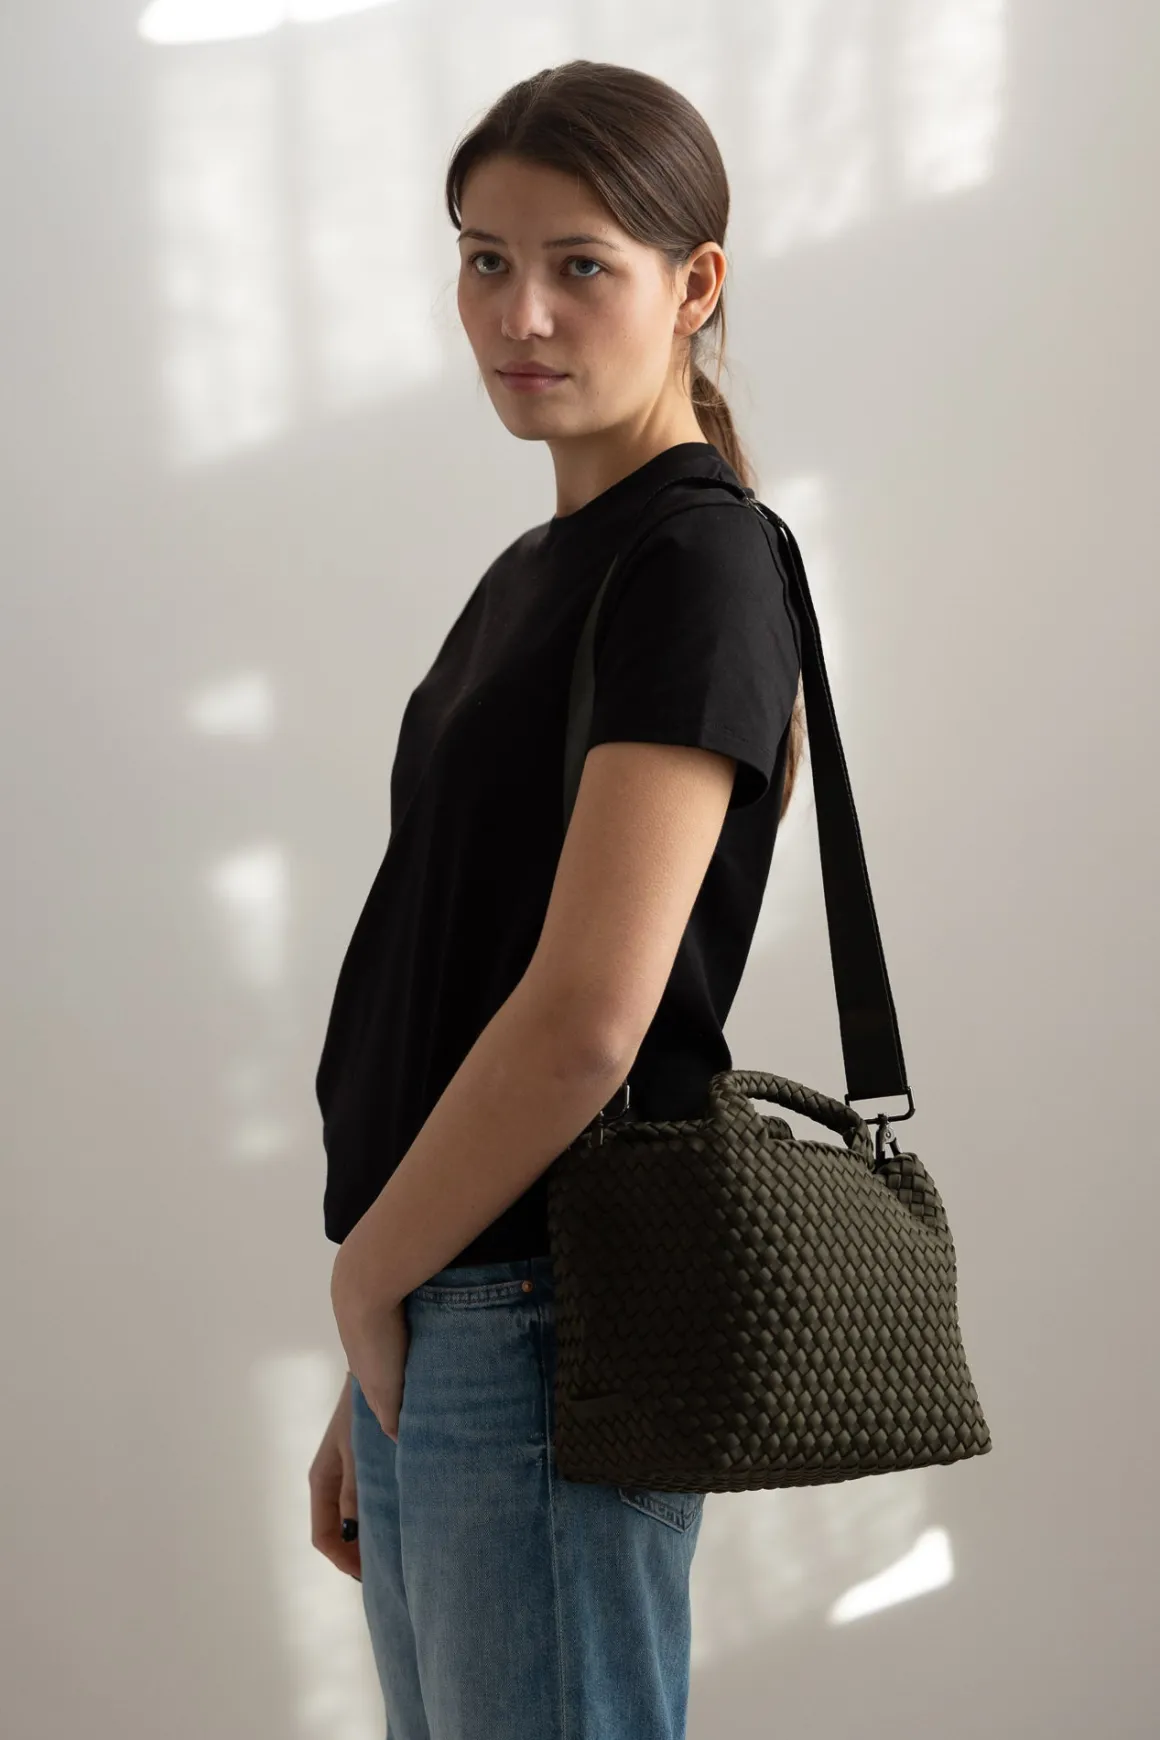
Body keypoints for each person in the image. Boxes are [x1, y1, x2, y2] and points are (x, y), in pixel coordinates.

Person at [308, 59, 805, 1740]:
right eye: (485, 259)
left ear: (695, 284)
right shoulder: (537, 575)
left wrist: (374, 1286)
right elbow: (461, 979)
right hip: (459, 1306)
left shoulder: (696, 560)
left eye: (581, 262)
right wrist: (377, 1342)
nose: (520, 314)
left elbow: (591, 1017)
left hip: (542, 1311)